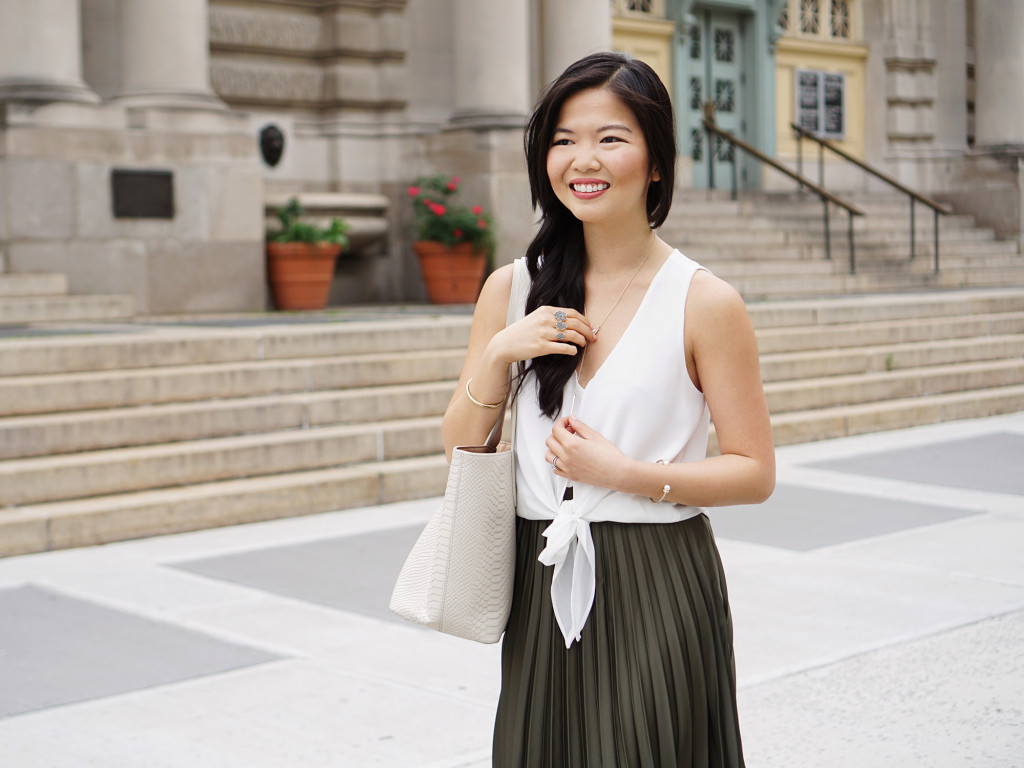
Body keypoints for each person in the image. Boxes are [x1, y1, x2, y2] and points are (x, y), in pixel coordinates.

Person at [441, 51, 775, 767]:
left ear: (656, 161)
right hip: (540, 578)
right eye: (563, 139)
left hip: (657, 576)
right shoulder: (510, 289)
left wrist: (626, 472)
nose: (581, 159)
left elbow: (753, 472)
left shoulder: (705, 301)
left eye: (610, 138)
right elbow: (460, 444)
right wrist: (502, 352)